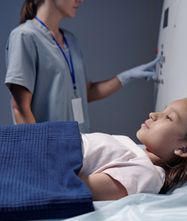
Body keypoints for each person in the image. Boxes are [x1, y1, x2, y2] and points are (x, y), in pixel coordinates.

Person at [4, 0, 159, 132]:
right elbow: (20, 107)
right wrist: (40, 153)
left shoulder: (71, 41)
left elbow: (85, 92)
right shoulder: (25, 36)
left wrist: (125, 77)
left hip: (79, 145)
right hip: (48, 149)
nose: (81, 0)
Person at [78, 97, 187, 200]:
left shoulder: (146, 173)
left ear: (184, 149)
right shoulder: (135, 150)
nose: (153, 114)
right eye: (163, 111)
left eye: (168, 117)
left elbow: (72, 188)